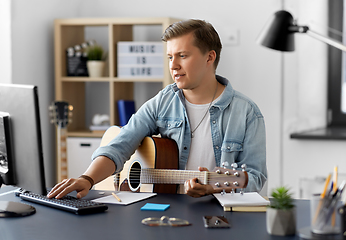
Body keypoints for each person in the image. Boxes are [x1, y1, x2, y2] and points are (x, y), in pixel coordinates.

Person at [48, 19, 267, 199]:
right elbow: (120, 145)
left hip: (220, 216)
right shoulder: (163, 101)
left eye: (183, 55)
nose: (173, 65)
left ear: (209, 57)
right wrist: (87, 179)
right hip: (166, 212)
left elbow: (255, 178)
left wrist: (214, 186)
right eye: (170, 57)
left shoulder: (247, 113)